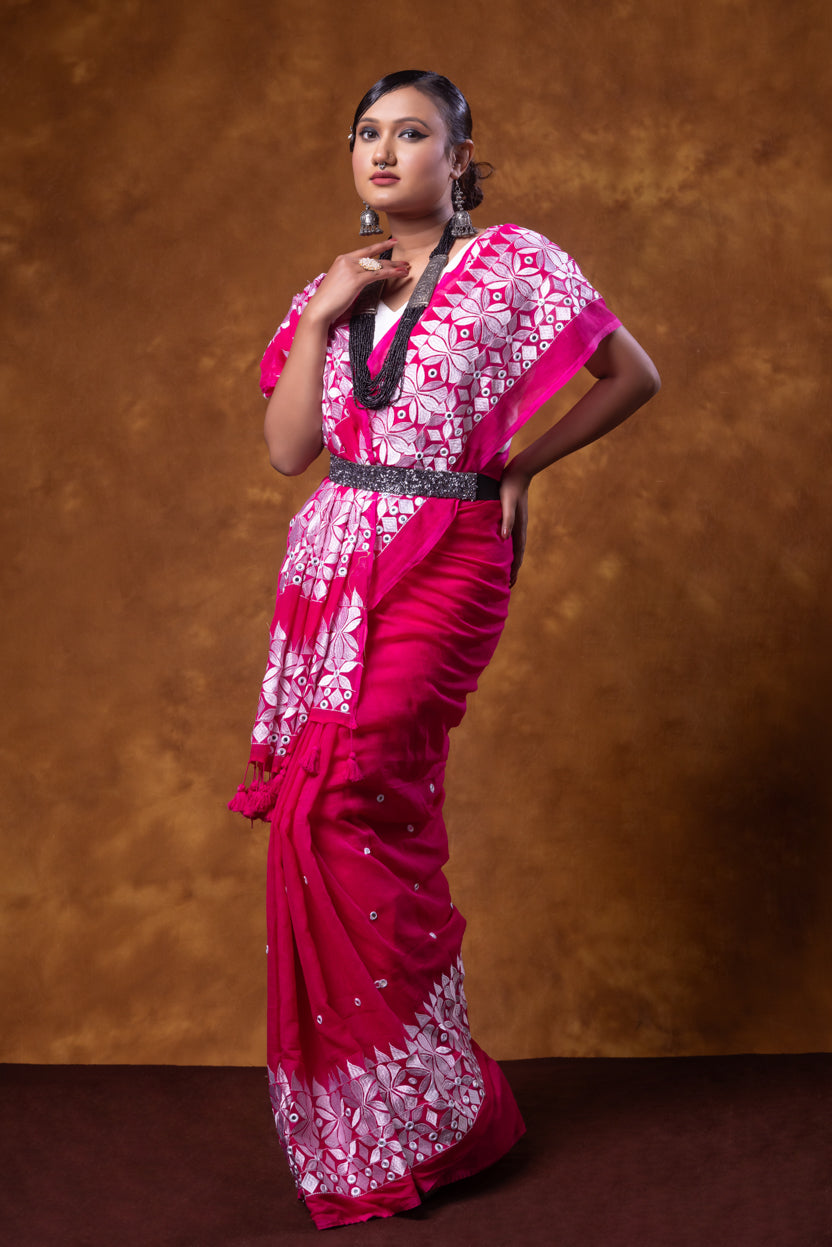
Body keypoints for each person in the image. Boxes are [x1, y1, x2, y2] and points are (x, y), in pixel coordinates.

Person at [230, 69, 660, 1229]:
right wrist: (324, 311)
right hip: (336, 560)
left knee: (360, 780)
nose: (383, 151)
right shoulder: (334, 288)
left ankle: (433, 1100)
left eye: (412, 133)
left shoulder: (514, 262)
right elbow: (286, 451)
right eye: (366, 132)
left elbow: (632, 374)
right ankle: (404, 1113)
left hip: (448, 546)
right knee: (327, 813)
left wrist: (518, 464)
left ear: (459, 160)